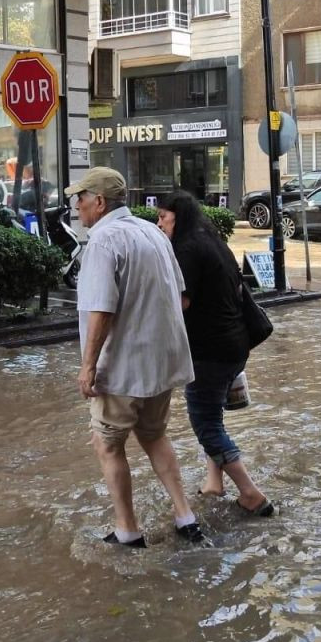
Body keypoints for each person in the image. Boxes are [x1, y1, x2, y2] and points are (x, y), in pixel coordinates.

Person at [67, 167, 204, 548]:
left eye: (80, 198)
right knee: (154, 435)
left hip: (124, 367)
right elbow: (178, 295)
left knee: (107, 444)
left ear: (98, 202)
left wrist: (88, 367)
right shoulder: (152, 232)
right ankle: (185, 517)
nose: (76, 206)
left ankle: (127, 530)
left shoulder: (103, 242)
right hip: (161, 363)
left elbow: (101, 310)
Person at [156, 191, 274, 517]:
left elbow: (181, 302)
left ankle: (250, 493)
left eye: (163, 217)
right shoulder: (212, 239)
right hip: (236, 345)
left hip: (208, 351)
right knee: (213, 415)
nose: (159, 223)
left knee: (206, 425)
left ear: (177, 217)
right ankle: (214, 483)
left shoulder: (186, 249)